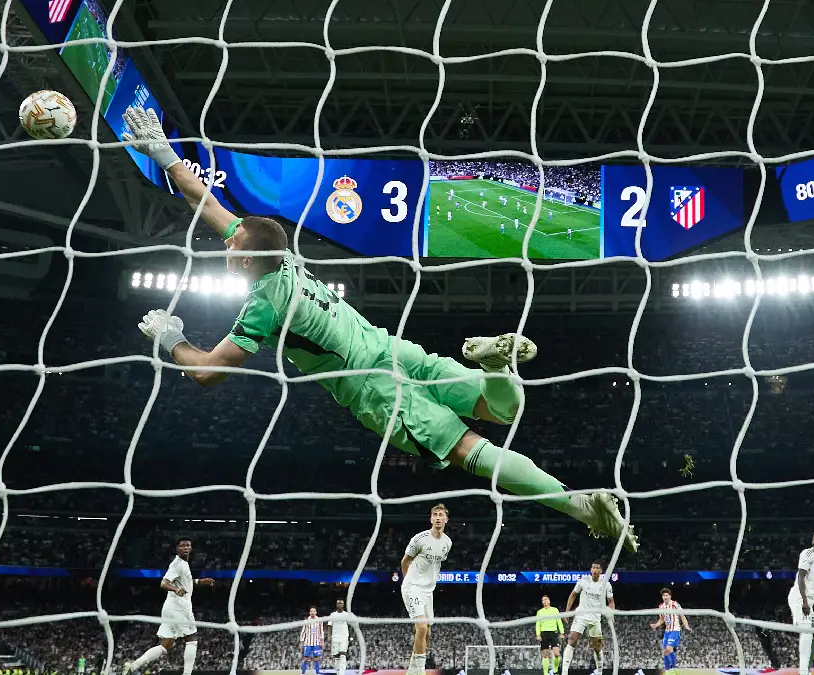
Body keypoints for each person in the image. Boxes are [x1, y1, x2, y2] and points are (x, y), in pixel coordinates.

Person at [120, 106, 637, 553]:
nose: (226, 245)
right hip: (392, 347)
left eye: (233, 245)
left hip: (375, 387)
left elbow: (209, 373)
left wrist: (172, 338)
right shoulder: (283, 258)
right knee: (504, 407)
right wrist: (165, 155)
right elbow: (208, 204)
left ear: (249, 257)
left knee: (470, 452)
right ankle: (500, 371)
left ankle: (577, 505)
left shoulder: (264, 303)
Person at [123, 538, 214, 675]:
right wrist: (176, 589)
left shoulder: (183, 564)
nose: (186, 547)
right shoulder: (177, 564)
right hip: (179, 606)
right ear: (177, 548)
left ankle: (133, 666)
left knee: (166, 645)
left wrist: (200, 581)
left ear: (191, 548)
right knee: (192, 638)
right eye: (182, 545)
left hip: (170, 608)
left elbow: (185, 581)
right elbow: (164, 583)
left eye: (188, 545)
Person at [401, 504, 452, 675]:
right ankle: (420, 670)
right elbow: (404, 562)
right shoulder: (419, 539)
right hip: (413, 587)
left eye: (441, 515)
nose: (438, 517)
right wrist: (409, 582)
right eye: (435, 514)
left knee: (427, 632)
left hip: (428, 591)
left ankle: (412, 669)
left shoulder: (447, 543)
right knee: (421, 627)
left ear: (446, 519)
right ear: (431, 519)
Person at [561, 560, 614, 675]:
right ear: (590, 569)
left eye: (597, 568)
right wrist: (567, 611)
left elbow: (611, 601)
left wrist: (611, 615)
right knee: (572, 640)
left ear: (601, 571)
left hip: (595, 618)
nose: (595, 570)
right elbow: (573, 595)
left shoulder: (606, 585)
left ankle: (599, 671)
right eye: (593, 567)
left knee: (597, 647)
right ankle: (564, 672)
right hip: (581, 615)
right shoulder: (583, 581)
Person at [790, 532, 814, 675]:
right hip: (800, 599)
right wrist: (805, 603)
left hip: (808, 604)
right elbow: (800, 578)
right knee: (806, 633)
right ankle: (803, 672)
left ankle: (808, 667)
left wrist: (809, 604)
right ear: (812, 542)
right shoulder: (807, 554)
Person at [650, 587, 690, 675]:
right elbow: (662, 619)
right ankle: (668, 670)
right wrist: (656, 625)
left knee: (668, 649)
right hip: (667, 632)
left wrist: (687, 627)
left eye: (666, 595)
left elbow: (682, 616)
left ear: (670, 596)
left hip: (675, 630)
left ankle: (674, 669)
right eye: (663, 595)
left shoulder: (675, 604)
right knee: (665, 652)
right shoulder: (661, 607)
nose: (665, 597)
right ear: (662, 597)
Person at [536, 594, 565, 675]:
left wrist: (562, 632)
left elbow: (559, 621)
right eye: (543, 600)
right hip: (544, 633)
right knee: (545, 655)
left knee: (556, 653)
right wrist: (538, 634)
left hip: (553, 632)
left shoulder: (555, 610)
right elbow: (538, 624)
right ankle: (545, 673)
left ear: (549, 601)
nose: (544, 601)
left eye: (546, 599)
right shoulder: (539, 612)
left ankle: (555, 670)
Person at [328, 598, 352, 675]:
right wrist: (329, 636)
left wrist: (351, 637)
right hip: (335, 637)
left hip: (344, 636)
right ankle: (338, 672)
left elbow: (350, 626)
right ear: (336, 605)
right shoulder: (332, 615)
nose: (340, 605)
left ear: (343, 605)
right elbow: (330, 626)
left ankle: (342, 673)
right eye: (338, 603)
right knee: (336, 656)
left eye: (341, 603)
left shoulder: (346, 614)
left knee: (343, 654)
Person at [300, 606, 325, 674]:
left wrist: (322, 642)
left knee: (316, 658)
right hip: (307, 642)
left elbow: (321, 631)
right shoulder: (306, 621)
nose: (312, 612)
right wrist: (301, 642)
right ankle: (303, 673)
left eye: (314, 611)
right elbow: (303, 632)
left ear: (316, 612)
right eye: (311, 611)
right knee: (305, 658)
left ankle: (317, 672)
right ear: (309, 612)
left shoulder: (319, 621)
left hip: (316, 642)